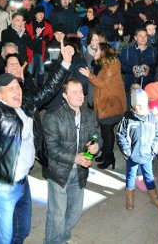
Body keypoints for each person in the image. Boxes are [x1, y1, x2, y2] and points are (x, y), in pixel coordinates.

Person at [0, 42, 72, 244]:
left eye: (17, 86)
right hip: (3, 185)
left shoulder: (25, 105)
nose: (17, 90)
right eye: (10, 88)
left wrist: (65, 63)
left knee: (22, 230)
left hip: (22, 183)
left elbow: (48, 91)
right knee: (2, 237)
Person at [42, 79, 101, 244]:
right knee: (57, 213)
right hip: (59, 172)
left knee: (75, 212)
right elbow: (52, 150)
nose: (79, 95)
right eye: (74, 92)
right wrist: (75, 158)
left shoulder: (88, 114)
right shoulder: (52, 117)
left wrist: (97, 145)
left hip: (80, 171)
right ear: (65, 96)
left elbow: (97, 136)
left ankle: (64, 237)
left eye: (81, 91)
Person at [79, 43, 127, 169]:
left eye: (96, 51)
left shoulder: (111, 66)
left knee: (107, 132)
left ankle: (109, 157)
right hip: (106, 102)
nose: (94, 53)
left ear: (103, 52)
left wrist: (88, 75)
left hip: (111, 105)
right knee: (105, 131)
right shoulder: (105, 64)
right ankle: (105, 154)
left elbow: (102, 84)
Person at [117, 88, 158, 211]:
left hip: (147, 155)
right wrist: (128, 152)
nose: (140, 107)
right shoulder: (127, 118)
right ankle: (130, 197)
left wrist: (153, 150)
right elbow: (120, 135)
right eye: (137, 105)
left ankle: (154, 197)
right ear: (133, 105)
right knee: (131, 175)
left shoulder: (152, 118)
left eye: (143, 104)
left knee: (149, 176)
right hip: (132, 155)